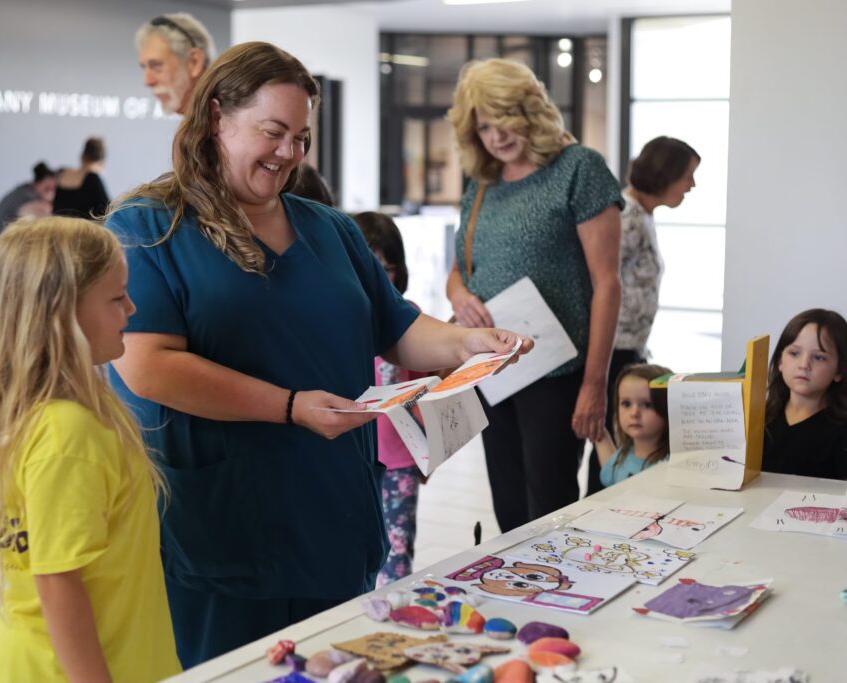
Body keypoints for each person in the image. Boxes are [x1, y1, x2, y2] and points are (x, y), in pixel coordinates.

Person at [106, 41, 532, 667]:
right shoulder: (151, 228)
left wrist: (467, 342)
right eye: (273, 132)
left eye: (301, 139)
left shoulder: (326, 228)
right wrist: (289, 407)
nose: (288, 154)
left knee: (333, 666)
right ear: (217, 116)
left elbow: (397, 325)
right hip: (222, 523)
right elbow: (147, 365)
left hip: (331, 511)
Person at [0, 216, 181, 682]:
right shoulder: (67, 433)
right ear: (62, 314)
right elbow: (58, 582)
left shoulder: (63, 414)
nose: (133, 308)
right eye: (117, 297)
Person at [445, 58, 623, 532]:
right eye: (484, 126)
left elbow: (608, 283)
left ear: (531, 112)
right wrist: (460, 294)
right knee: (507, 503)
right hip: (492, 369)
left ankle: (560, 598)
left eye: (506, 120)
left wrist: (594, 383)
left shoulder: (579, 169)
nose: (497, 136)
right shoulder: (482, 184)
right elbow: (460, 270)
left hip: (556, 371)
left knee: (550, 506)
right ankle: (520, 594)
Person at [587, 135, 700, 494]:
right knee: (613, 440)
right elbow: (598, 281)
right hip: (614, 346)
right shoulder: (628, 216)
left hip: (630, 345)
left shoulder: (642, 215)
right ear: (666, 174)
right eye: (688, 176)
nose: (692, 186)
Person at [354, 210, 426, 587]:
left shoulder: (409, 318)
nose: (380, 277)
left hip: (399, 459)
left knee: (397, 555)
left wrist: (426, 454)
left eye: (389, 268)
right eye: (370, 265)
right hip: (352, 455)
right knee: (353, 550)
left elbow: (422, 391)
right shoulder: (337, 321)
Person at [762, 308, 847, 480]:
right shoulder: (758, 418)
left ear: (839, 370)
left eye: (819, 357)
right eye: (794, 353)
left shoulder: (841, 432)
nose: (804, 364)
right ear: (780, 361)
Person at [0, 162, 56, 285]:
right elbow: (45, 215)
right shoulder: (29, 198)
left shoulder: (23, 190)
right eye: (48, 188)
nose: (51, 192)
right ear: (39, 182)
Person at [593, 363, 672, 487]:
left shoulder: (676, 464)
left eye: (647, 405)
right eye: (626, 404)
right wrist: (599, 433)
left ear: (668, 407)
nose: (634, 413)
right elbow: (610, 474)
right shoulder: (621, 458)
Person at [136, 13, 216, 116]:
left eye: (156, 66)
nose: (147, 81)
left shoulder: (231, 126)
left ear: (194, 62)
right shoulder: (198, 127)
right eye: (144, 67)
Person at [53, 136, 111, 220]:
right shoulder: (93, 179)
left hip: (56, 227)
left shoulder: (62, 173)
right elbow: (108, 213)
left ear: (82, 157)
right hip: (78, 231)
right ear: (103, 162)